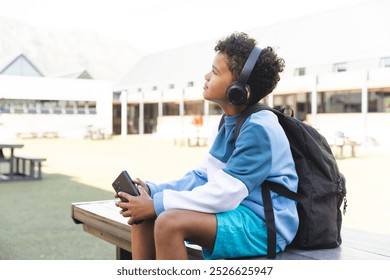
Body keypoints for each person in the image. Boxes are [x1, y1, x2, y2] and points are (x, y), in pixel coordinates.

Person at [115, 32, 299, 260]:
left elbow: (224, 194)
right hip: (238, 211)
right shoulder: (230, 122)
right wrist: (154, 192)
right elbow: (204, 177)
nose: (206, 76)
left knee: (168, 222)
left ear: (238, 89)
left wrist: (156, 204)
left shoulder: (259, 129)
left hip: (265, 224)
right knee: (142, 214)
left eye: (215, 72)